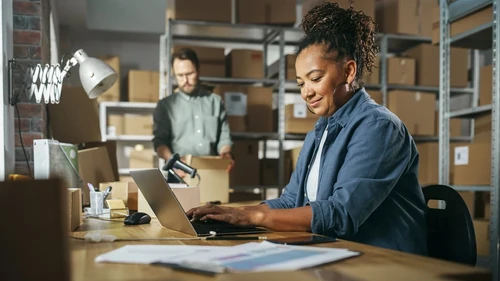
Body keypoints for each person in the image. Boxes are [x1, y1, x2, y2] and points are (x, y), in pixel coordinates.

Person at [187, 2, 428, 255]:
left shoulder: (379, 127)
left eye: (315, 79)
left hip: (386, 261)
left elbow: (341, 214)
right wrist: (232, 213)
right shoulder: (319, 131)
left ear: (348, 71)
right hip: (337, 251)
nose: (306, 92)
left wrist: (253, 217)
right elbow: (291, 201)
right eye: (301, 83)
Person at [153, 48, 234, 178]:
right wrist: (174, 162)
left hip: (212, 173)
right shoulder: (165, 106)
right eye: (180, 75)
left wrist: (226, 153)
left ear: (198, 71)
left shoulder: (216, 102)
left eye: (189, 73)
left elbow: (224, 138)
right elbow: (160, 142)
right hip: (180, 174)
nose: (185, 80)